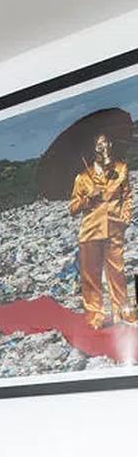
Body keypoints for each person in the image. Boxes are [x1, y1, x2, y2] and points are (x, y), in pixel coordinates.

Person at [68, 132, 136, 328]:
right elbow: (73, 208)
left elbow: (127, 195)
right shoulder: (82, 178)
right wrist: (89, 198)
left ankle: (122, 312)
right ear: (93, 150)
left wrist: (125, 217)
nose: (104, 148)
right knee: (91, 276)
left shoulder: (121, 168)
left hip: (114, 228)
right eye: (99, 145)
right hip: (91, 232)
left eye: (106, 143)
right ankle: (95, 317)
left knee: (117, 272)